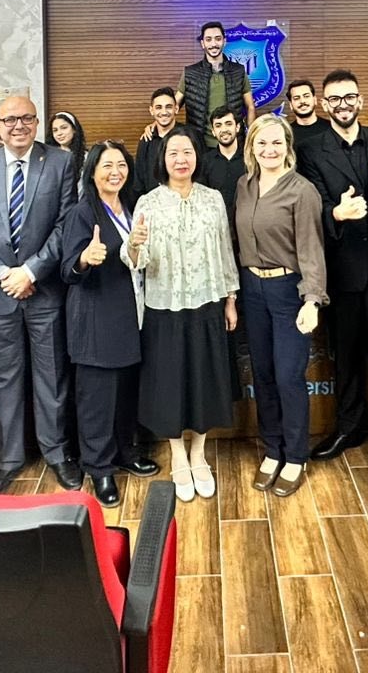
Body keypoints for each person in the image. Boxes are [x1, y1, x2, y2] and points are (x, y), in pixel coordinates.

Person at [0, 95, 80, 492]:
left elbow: (65, 225)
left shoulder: (59, 162)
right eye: (10, 119)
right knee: (2, 379)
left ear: (37, 122)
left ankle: (56, 452)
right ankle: (9, 457)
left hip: (44, 290)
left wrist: (30, 271)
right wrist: (2, 273)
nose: (18, 125)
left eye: (26, 118)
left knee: (51, 376)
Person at [297, 69, 368, 490]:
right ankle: (349, 428)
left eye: (350, 97)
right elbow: (312, 204)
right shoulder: (310, 148)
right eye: (335, 99)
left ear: (360, 101)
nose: (343, 104)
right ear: (325, 105)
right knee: (345, 356)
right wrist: (335, 214)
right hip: (341, 270)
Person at [127, 126, 238, 502]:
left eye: (187, 152)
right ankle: (177, 454)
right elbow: (136, 262)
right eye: (173, 152)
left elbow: (224, 250)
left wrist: (230, 298)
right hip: (164, 304)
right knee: (170, 381)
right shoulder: (148, 202)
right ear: (163, 159)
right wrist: (133, 245)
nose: (180, 159)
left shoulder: (213, 199)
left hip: (207, 300)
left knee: (206, 378)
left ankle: (199, 453)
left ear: (197, 157)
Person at [61, 141, 159, 505]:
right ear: (92, 172)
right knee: (97, 398)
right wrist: (85, 258)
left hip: (131, 314)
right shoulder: (82, 212)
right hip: (96, 317)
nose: (115, 172)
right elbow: (67, 269)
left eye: (121, 164)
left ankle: (124, 452)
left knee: (126, 392)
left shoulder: (132, 206)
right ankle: (99, 468)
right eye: (107, 166)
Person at [234, 115, 326, 497]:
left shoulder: (302, 191)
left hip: (289, 290)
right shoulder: (244, 185)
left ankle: (295, 456)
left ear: (288, 146)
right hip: (252, 289)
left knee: (289, 377)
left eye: (276, 142)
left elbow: (312, 249)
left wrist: (313, 299)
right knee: (264, 374)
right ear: (251, 147)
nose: (269, 149)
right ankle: (273, 450)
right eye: (262, 143)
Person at [177, 21, 256, 146]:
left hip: (234, 145)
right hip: (200, 146)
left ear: (224, 41)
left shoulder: (239, 71)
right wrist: (157, 123)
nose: (213, 44)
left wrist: (251, 136)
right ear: (203, 43)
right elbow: (173, 106)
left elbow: (250, 106)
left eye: (218, 39)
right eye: (208, 39)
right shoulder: (190, 73)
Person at [196, 105, 246, 232]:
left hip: (246, 229)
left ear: (237, 127)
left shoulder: (251, 159)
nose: (224, 129)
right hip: (215, 229)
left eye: (228, 124)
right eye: (218, 125)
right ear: (213, 131)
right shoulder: (205, 161)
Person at [132, 87, 180, 198]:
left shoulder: (189, 136)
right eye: (159, 107)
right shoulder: (146, 140)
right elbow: (139, 181)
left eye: (168, 107)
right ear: (151, 111)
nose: (164, 112)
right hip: (152, 204)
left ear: (176, 109)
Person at [285, 79, 327, 146]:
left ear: (315, 100)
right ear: (291, 105)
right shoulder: (287, 133)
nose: (302, 101)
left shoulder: (331, 128)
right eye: (296, 98)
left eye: (306, 96)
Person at [48, 111, 88, 175]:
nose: (59, 133)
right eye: (55, 130)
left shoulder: (86, 157)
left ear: (74, 129)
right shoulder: (48, 156)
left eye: (64, 128)